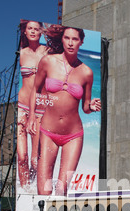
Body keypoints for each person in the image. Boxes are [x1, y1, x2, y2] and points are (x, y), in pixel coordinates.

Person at [27, 25, 102, 196]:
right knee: (44, 191)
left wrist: (91, 106)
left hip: (73, 136)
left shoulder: (87, 72)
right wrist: (32, 116)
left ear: (81, 42)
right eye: (67, 38)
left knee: (62, 190)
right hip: (48, 132)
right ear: (62, 39)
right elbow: (35, 90)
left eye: (75, 39)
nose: (70, 43)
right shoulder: (48, 61)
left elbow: (85, 106)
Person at [18, 20, 47, 188]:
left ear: (41, 32)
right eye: (30, 28)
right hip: (22, 107)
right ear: (25, 31)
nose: (33, 31)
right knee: (22, 157)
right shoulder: (22, 53)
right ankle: (25, 190)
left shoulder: (48, 52)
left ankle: (33, 191)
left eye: (36, 29)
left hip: (39, 109)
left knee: (35, 161)